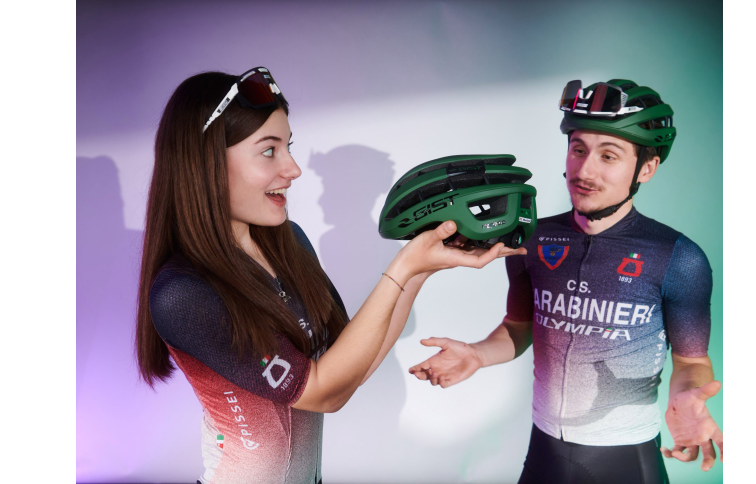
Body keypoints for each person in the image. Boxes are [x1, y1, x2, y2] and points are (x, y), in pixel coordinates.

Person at [134, 67, 526, 484]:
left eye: (288, 147)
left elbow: (350, 368)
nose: (293, 168)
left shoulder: (288, 242)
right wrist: (403, 266)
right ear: (205, 162)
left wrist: (420, 268)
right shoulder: (184, 293)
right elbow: (323, 393)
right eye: (269, 151)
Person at [409, 79, 722, 483]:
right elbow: (519, 328)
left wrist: (686, 397)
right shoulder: (532, 238)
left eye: (608, 155)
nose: (585, 170)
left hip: (627, 460)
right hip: (545, 452)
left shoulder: (679, 257)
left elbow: (692, 361)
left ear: (646, 168)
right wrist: (478, 354)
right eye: (578, 149)